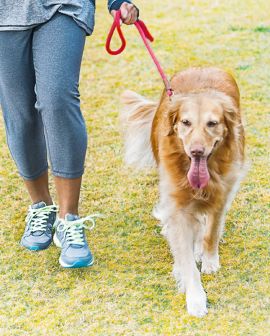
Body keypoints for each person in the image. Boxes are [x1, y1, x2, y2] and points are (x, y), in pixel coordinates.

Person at [0, 1, 139, 268]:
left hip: (64, 6)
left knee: (57, 101)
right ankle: (41, 206)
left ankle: (69, 219)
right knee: (20, 112)